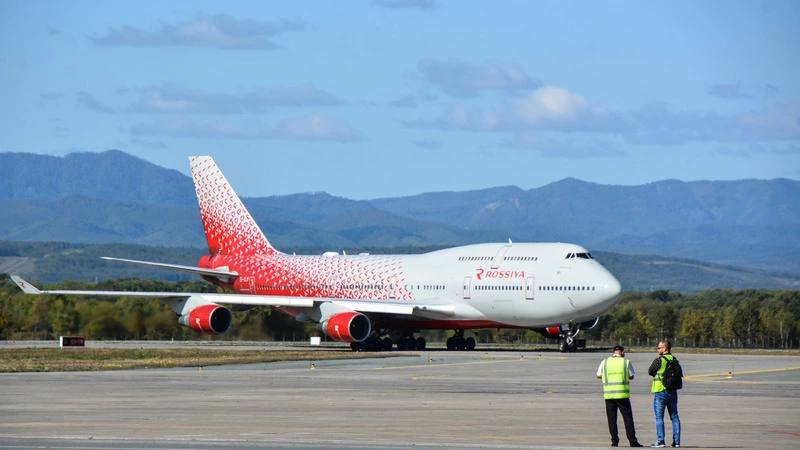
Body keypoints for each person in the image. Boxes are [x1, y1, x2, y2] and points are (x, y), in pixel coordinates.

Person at [597, 345, 644, 447]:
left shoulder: (605, 362)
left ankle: (614, 441)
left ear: (613, 352)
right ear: (622, 352)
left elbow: (598, 375)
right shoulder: (625, 362)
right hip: (622, 394)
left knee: (611, 419)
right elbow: (631, 376)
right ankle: (632, 440)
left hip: (609, 395)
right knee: (628, 418)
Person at [647, 340, 681, 448]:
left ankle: (660, 440)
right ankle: (676, 442)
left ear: (664, 349)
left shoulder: (659, 360)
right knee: (674, 416)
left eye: (659, 348)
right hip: (672, 391)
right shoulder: (675, 360)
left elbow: (650, 371)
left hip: (660, 390)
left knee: (659, 417)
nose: (657, 350)